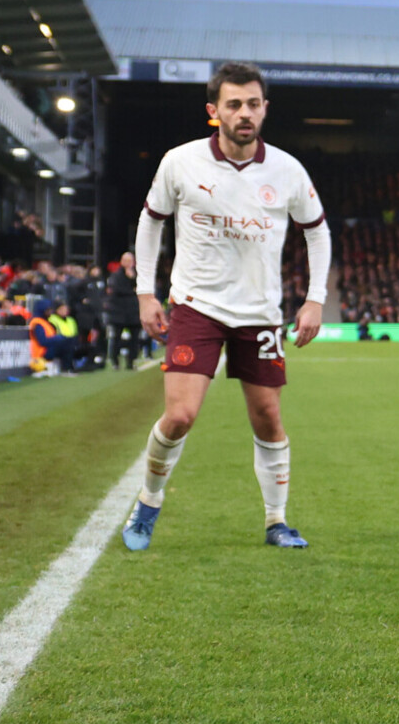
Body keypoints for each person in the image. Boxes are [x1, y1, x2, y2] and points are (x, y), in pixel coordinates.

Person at [125, 61, 331, 551]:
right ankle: (148, 503)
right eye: (234, 104)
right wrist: (146, 292)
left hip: (259, 313)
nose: (245, 113)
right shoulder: (181, 161)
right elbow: (151, 220)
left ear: (265, 109)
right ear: (213, 110)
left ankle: (276, 521)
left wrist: (315, 298)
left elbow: (317, 231)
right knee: (180, 416)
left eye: (253, 104)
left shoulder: (287, 170)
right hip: (196, 305)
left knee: (267, 417)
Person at [105, 252, 143, 370]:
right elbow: (117, 290)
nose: (127, 263)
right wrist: (132, 290)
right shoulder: (115, 275)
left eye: (129, 260)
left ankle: (131, 361)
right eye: (125, 260)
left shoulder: (138, 275)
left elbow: (141, 289)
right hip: (119, 312)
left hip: (134, 312)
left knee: (135, 338)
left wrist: (132, 280)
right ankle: (115, 361)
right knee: (116, 337)